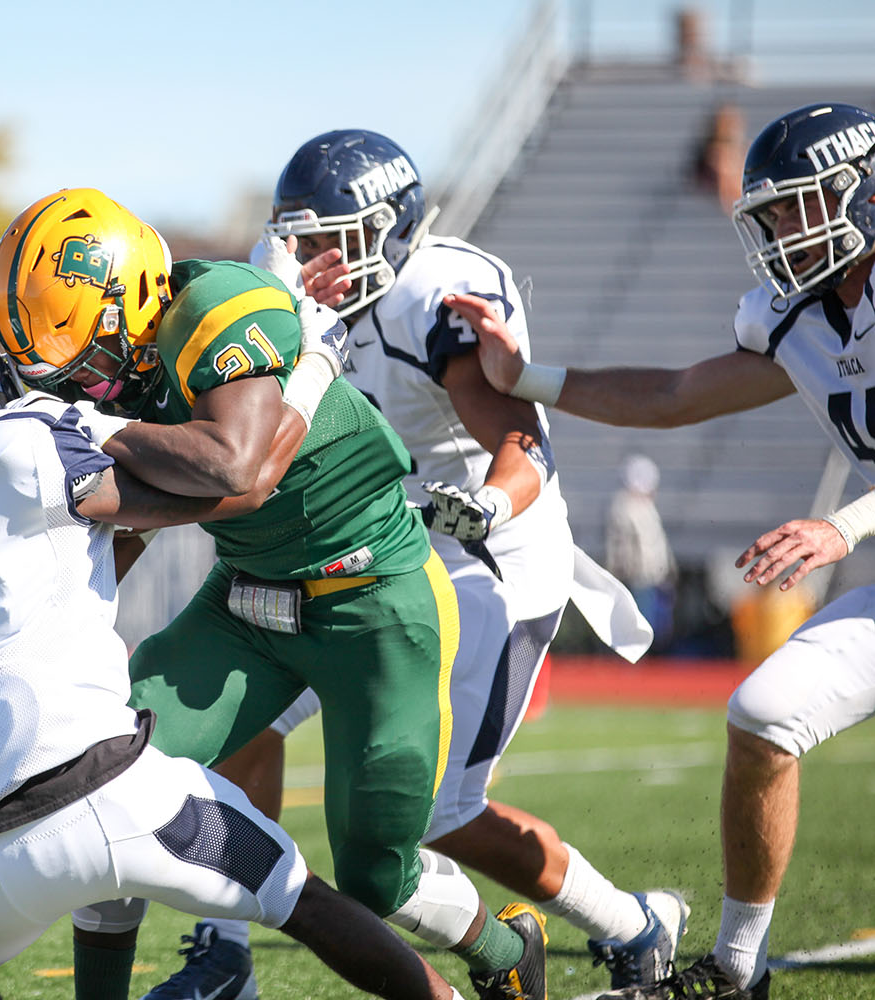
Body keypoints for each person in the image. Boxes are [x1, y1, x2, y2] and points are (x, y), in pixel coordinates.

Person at [140, 128, 684, 1000]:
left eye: (335, 240)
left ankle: (629, 921)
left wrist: (490, 505)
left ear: (392, 234)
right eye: (301, 239)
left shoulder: (435, 296)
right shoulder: (275, 289)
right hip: (348, 550)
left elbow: (520, 441)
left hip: (481, 552)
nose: (315, 260)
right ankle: (224, 946)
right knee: (250, 735)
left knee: (441, 814)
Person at [0, 187, 548, 1000]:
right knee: (102, 786)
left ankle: (505, 954)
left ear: (136, 299)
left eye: (92, 357)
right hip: (248, 597)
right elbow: (140, 522)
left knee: (373, 879)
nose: (86, 381)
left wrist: (101, 436)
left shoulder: (219, 306)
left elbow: (235, 467)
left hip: (374, 599)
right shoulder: (124, 354)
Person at [0, 310, 465, 1000]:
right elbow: (234, 483)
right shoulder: (26, 441)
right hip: (115, 794)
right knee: (303, 901)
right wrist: (313, 367)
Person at [447, 101, 875, 1000]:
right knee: (765, 713)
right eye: (775, 214)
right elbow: (677, 393)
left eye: (802, 206)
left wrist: (845, 525)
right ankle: (737, 969)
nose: (785, 233)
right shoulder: (795, 316)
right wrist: (525, 378)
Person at [606, 454, 677, 650]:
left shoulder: (646, 507)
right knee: (636, 625)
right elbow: (623, 547)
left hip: (651, 574)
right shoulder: (625, 506)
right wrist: (624, 570)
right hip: (637, 575)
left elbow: (656, 542)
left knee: (653, 625)